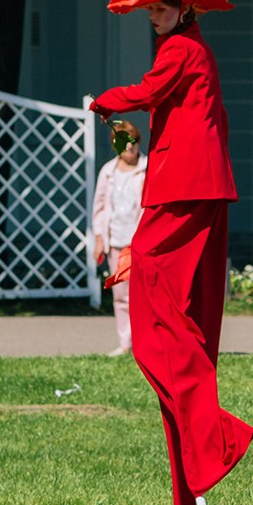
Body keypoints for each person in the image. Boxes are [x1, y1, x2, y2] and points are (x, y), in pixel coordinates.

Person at [88, 0, 253, 505]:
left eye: (161, 5)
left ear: (185, 8)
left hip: (184, 189)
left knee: (159, 327)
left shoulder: (182, 48)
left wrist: (102, 101)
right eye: (151, 7)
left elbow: (147, 92)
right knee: (179, 325)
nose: (152, 15)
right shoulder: (188, 48)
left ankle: (217, 433)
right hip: (195, 187)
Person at [91, 121, 146, 357]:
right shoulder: (108, 172)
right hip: (116, 241)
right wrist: (99, 238)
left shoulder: (147, 169)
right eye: (126, 144)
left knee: (143, 294)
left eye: (134, 143)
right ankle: (126, 342)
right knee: (121, 295)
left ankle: (144, 342)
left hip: (140, 241)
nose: (131, 148)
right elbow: (100, 206)